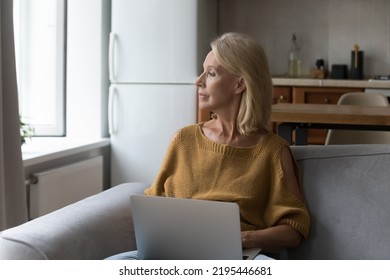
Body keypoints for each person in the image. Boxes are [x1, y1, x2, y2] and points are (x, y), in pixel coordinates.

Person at [107, 32, 310, 260]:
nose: (198, 81)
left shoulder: (273, 152)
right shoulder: (183, 140)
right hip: (175, 252)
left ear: (240, 83)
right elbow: (153, 205)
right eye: (203, 71)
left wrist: (243, 239)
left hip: (239, 256)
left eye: (211, 73)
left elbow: (293, 230)